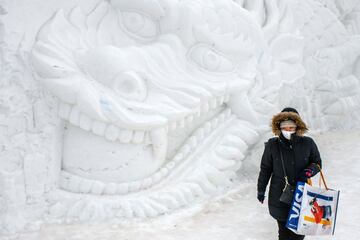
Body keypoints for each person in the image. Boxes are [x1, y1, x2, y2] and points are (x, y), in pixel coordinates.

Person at [257, 107, 322, 240]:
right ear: (279, 127)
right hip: (279, 195)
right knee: (284, 232)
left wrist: (309, 171)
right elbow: (265, 169)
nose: (288, 130)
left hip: (302, 195)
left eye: (291, 127)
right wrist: (261, 190)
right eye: (284, 127)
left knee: (298, 232)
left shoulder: (308, 143)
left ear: (297, 126)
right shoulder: (272, 145)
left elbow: (317, 163)